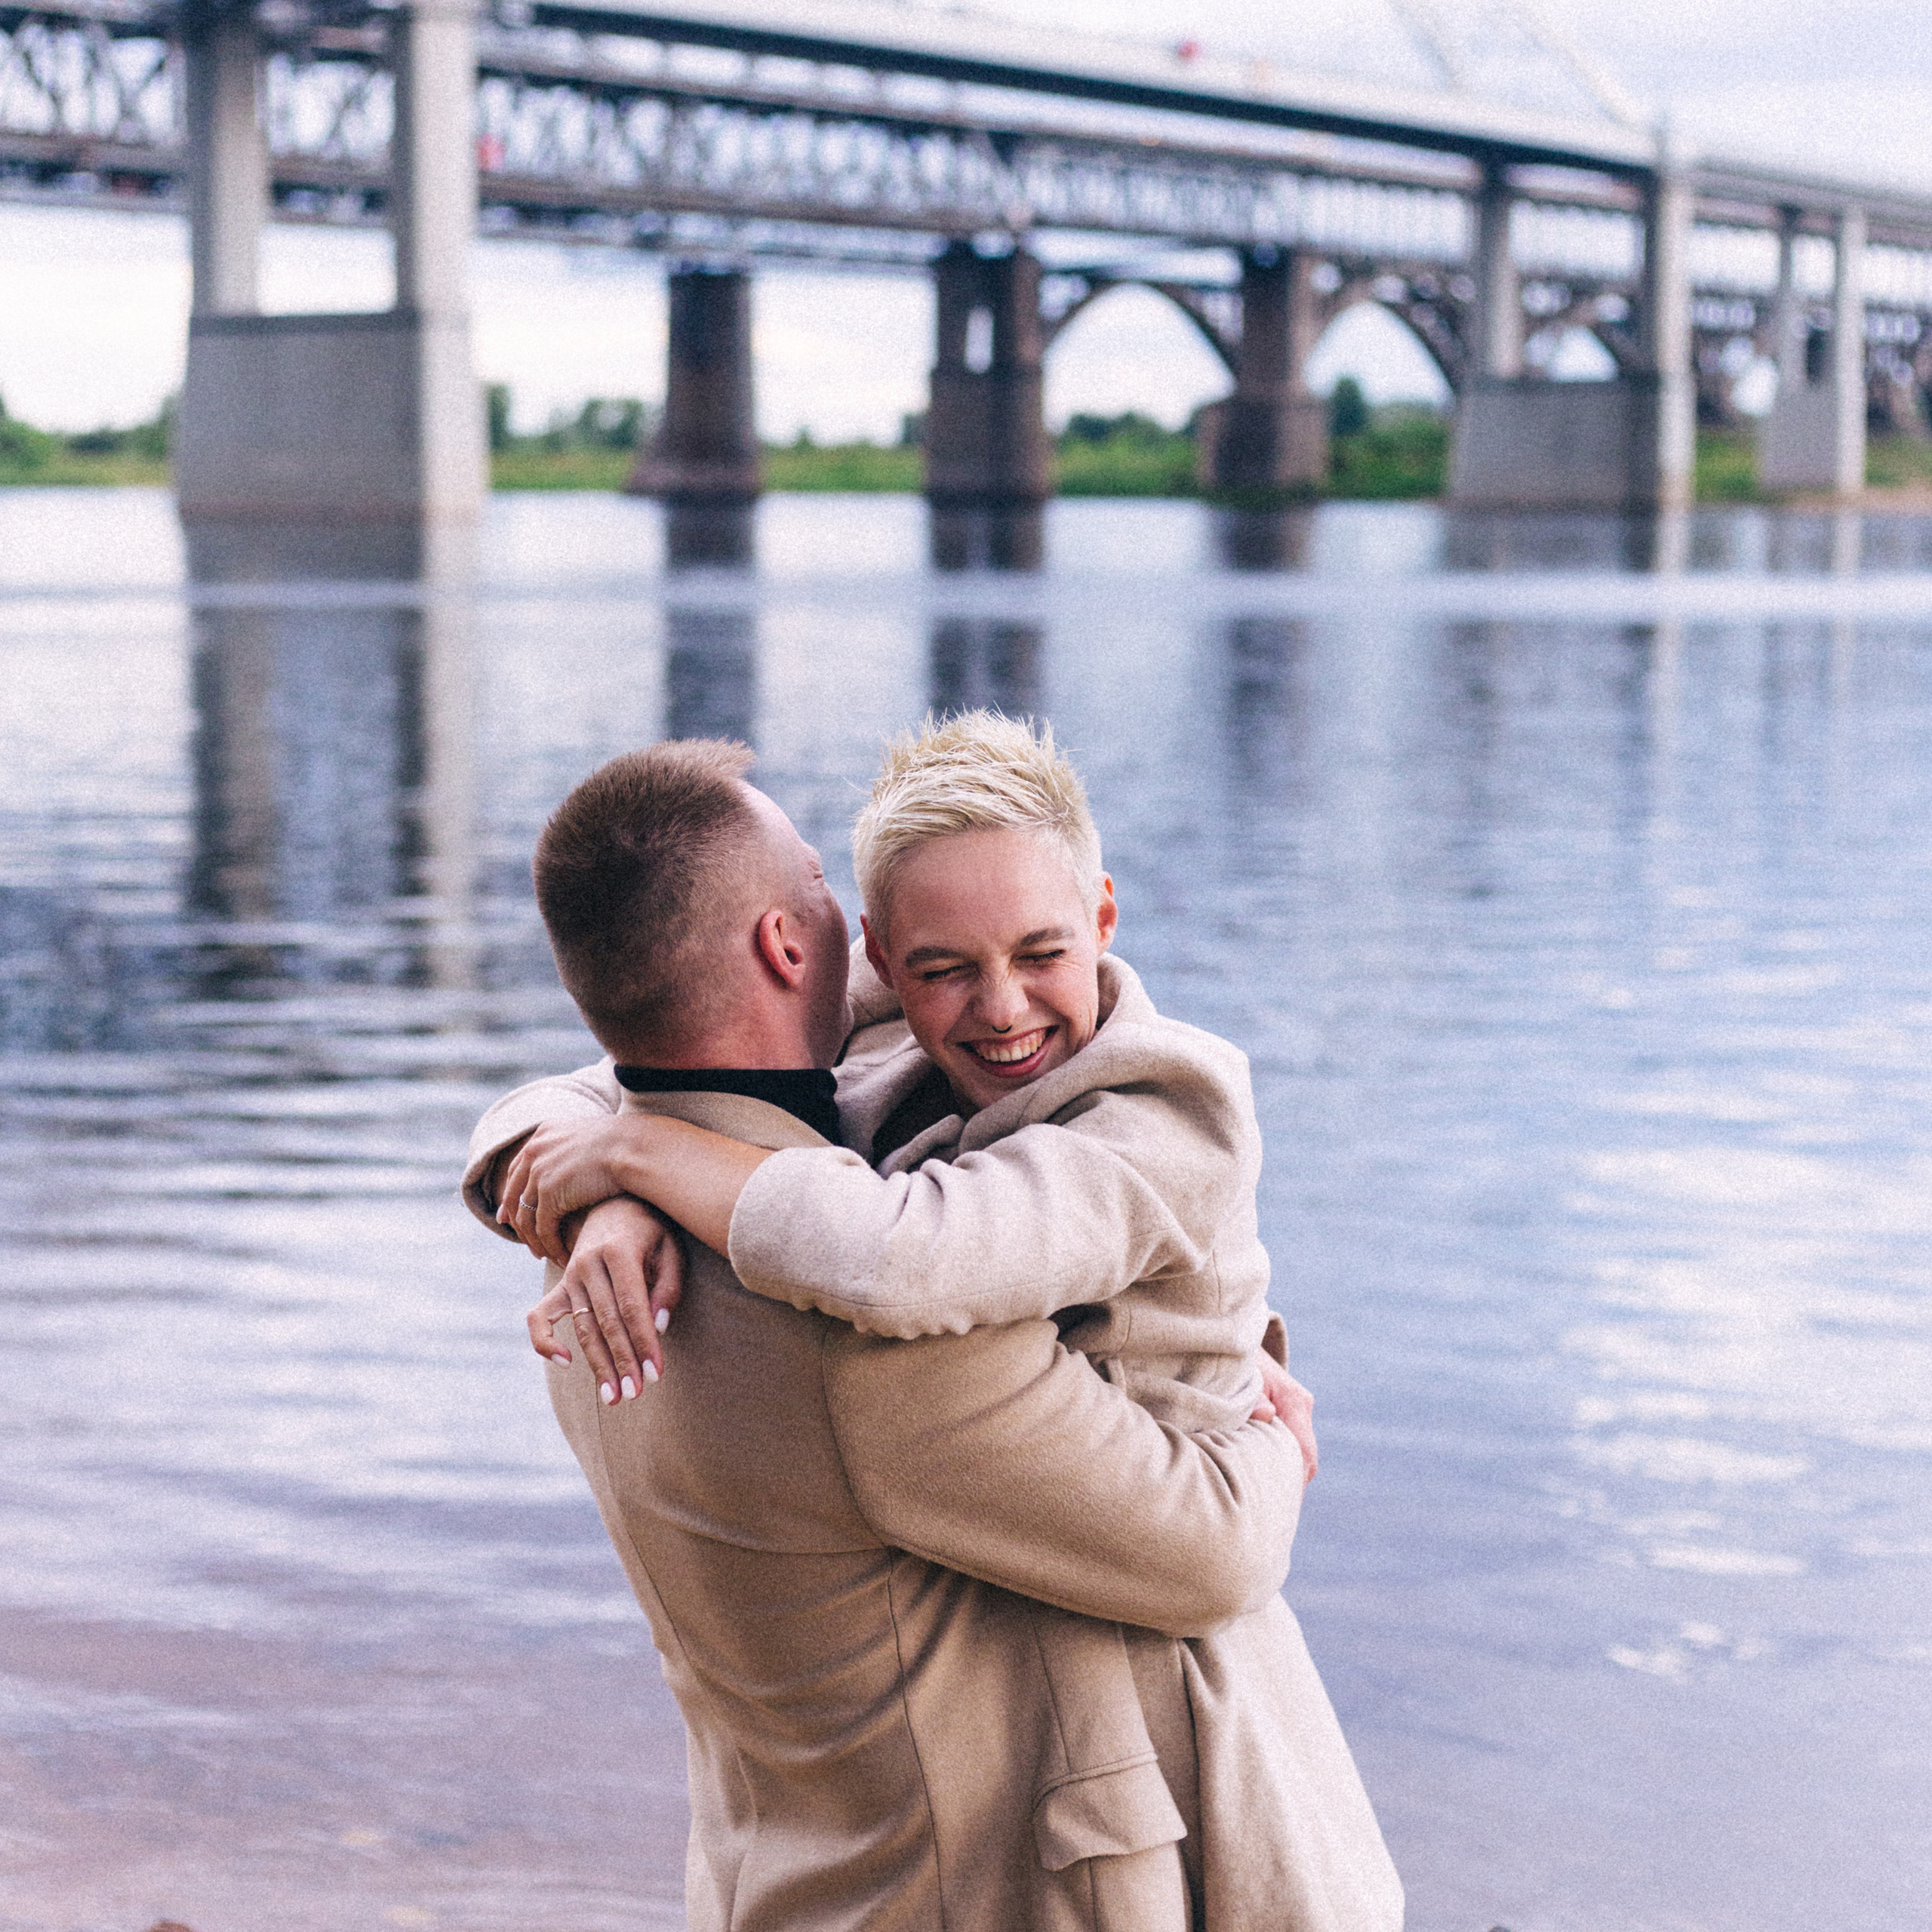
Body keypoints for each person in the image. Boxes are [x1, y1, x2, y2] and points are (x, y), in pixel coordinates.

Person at [471, 726, 1404, 1931]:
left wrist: (608, 1174)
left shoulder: (592, 1260)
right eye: (828, 894)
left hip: (780, 1862)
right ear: (794, 945)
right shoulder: (872, 1347)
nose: (994, 1001)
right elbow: (1215, 1551)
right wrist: (1271, 1431)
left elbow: (601, 1085)